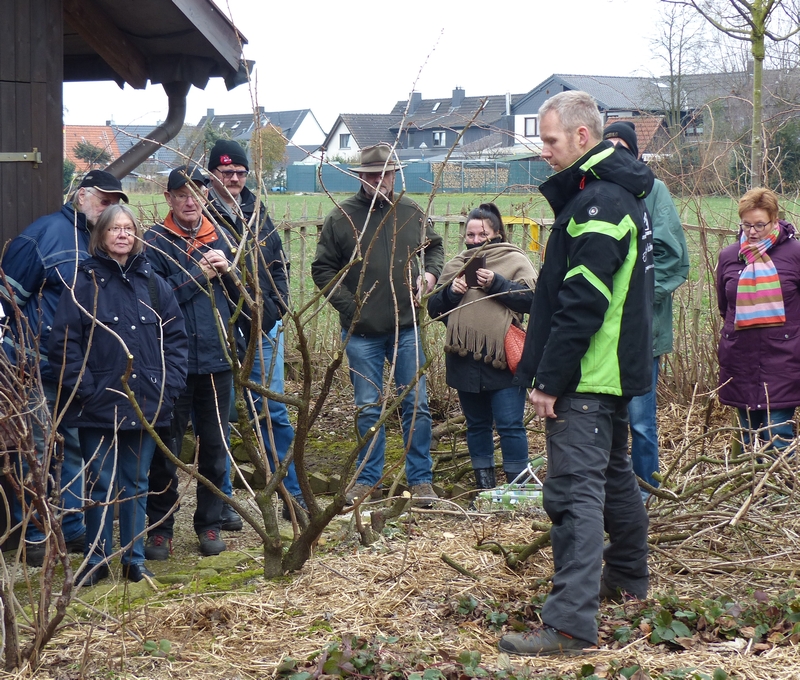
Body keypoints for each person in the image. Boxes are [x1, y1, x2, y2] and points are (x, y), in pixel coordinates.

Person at [499, 91, 654, 656]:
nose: (544, 151)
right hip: (608, 375)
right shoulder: (612, 197)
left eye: (551, 140)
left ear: (582, 138)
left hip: (586, 378)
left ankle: (568, 626)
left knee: (573, 494)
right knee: (614, 480)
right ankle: (629, 581)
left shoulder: (598, 206)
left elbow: (583, 300)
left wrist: (549, 380)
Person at [48, 205, 188, 585]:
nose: (122, 235)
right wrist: (87, 388)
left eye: (129, 229)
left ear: (137, 235)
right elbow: (64, 343)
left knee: (137, 481)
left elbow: (176, 340)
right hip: (97, 405)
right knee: (99, 482)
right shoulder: (83, 284)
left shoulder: (154, 285)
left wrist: (167, 386)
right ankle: (95, 560)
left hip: (146, 402)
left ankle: (134, 558)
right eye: (115, 229)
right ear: (102, 236)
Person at [1, 170, 129, 567]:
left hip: (81, 369)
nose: (108, 208)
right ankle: (36, 534)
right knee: (34, 450)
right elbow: (6, 301)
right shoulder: (44, 235)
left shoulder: (103, 242)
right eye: (103, 200)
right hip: (35, 364)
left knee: (75, 446)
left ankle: (72, 527)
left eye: (114, 202)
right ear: (81, 195)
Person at [311, 143, 444, 506]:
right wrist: (351, 308)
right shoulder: (342, 218)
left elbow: (434, 247)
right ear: (360, 178)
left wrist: (429, 276)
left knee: (415, 403)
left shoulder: (411, 212)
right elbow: (321, 270)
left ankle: (420, 480)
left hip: (407, 328)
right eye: (370, 175)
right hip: (362, 334)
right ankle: (369, 480)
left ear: (393, 175)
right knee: (368, 406)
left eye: (384, 174)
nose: (378, 181)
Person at [205, 139, 304, 522]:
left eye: (240, 173)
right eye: (225, 172)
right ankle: (227, 500)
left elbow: (278, 263)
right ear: (212, 173)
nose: (233, 178)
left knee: (274, 411)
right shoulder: (202, 214)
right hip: (223, 328)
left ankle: (291, 494)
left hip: (264, 327)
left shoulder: (255, 210)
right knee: (225, 414)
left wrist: (278, 306)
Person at [144, 165, 238, 558]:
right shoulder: (152, 243)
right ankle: (160, 529)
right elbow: (154, 303)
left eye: (196, 193)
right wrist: (197, 276)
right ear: (168, 199)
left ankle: (210, 525)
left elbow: (247, 300)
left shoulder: (223, 238)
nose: (189, 200)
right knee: (166, 450)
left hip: (217, 362)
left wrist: (231, 273)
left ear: (205, 196)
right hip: (173, 364)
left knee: (216, 447)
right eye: (180, 193)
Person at [603, 121, 690, 496]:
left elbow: (675, 260)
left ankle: (645, 495)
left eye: (623, 147)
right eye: (609, 147)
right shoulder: (594, 191)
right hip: (599, 334)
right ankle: (611, 495)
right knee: (602, 421)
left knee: (640, 421)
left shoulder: (653, 191)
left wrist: (635, 298)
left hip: (642, 333)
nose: (616, 154)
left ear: (636, 154)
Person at [427, 203, 536, 493]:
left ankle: (519, 491)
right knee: (476, 426)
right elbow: (434, 309)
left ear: (497, 233)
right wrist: (451, 292)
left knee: (511, 425)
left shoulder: (514, 260)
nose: (475, 240)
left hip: (503, 358)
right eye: (471, 234)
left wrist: (498, 283)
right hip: (464, 357)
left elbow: (533, 302)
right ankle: (485, 490)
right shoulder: (456, 264)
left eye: (482, 234)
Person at [716, 187, 800, 451]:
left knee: (777, 434)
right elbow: (724, 306)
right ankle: (749, 492)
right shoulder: (729, 256)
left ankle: (778, 492)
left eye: (759, 225)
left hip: (783, 359)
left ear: (775, 220)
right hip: (740, 360)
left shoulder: (795, 255)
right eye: (746, 224)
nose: (752, 232)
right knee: (748, 436)